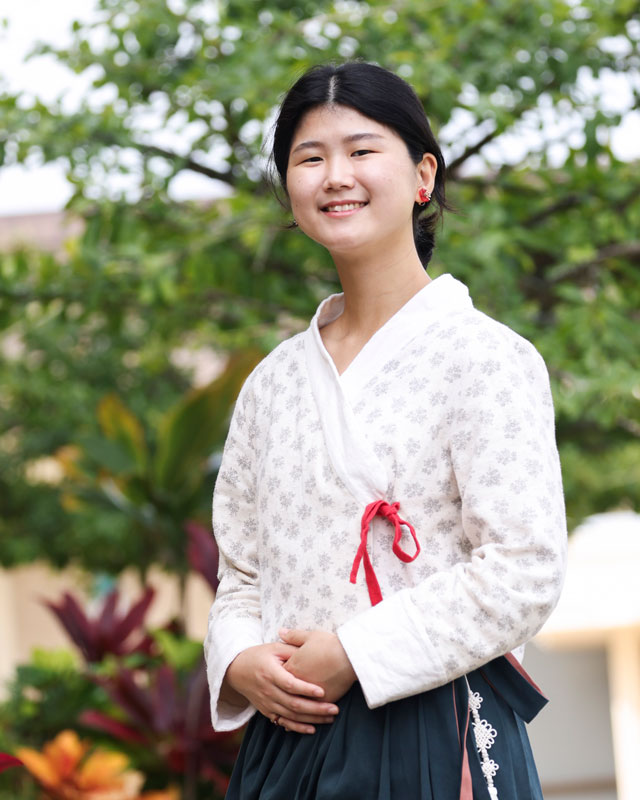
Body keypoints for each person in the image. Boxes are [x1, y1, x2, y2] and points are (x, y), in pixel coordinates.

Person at [204, 61, 567, 800]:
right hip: (287, 736)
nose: (335, 175)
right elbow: (241, 574)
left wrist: (358, 652)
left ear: (423, 175)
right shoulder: (270, 384)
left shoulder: (487, 356)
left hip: (437, 729)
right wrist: (240, 660)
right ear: (290, 190)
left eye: (362, 150)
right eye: (310, 158)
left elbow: (524, 567)